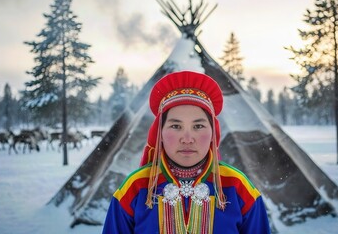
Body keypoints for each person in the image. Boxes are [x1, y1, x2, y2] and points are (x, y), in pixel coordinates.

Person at [102, 70, 271, 234]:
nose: (188, 138)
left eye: (198, 126)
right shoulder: (135, 188)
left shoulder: (237, 187)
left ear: (213, 133)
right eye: (176, 126)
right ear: (159, 133)